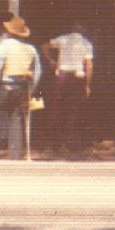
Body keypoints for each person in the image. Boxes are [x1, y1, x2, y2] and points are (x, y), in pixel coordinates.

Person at [0, 15, 41, 159]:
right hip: (21, 87)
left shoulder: (5, 45)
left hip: (5, 85)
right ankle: (14, 154)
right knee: (17, 119)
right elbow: (38, 72)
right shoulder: (31, 49)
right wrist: (31, 88)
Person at [40, 24, 94, 155]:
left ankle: (52, 145)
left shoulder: (63, 39)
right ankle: (68, 145)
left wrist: (51, 61)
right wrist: (87, 85)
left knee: (56, 109)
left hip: (62, 76)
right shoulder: (86, 43)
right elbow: (89, 65)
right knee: (73, 111)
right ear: (84, 31)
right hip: (77, 77)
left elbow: (44, 46)